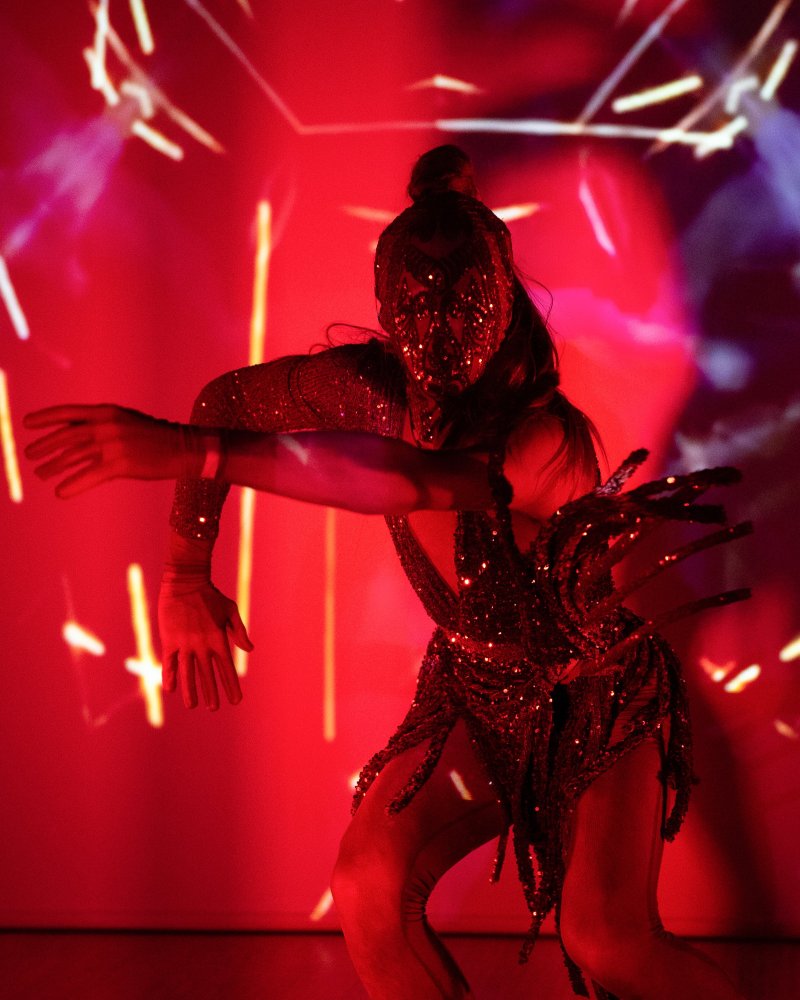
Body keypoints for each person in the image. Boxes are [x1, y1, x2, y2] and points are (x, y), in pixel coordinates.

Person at [25, 146, 749, 1000]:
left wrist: (195, 453)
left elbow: (409, 482)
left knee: (606, 939)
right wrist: (186, 574)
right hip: (474, 693)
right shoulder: (377, 388)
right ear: (385, 305)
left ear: (504, 301)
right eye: (416, 306)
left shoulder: (543, 435)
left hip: (595, 698)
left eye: (463, 304)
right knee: (367, 885)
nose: (439, 330)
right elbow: (228, 400)